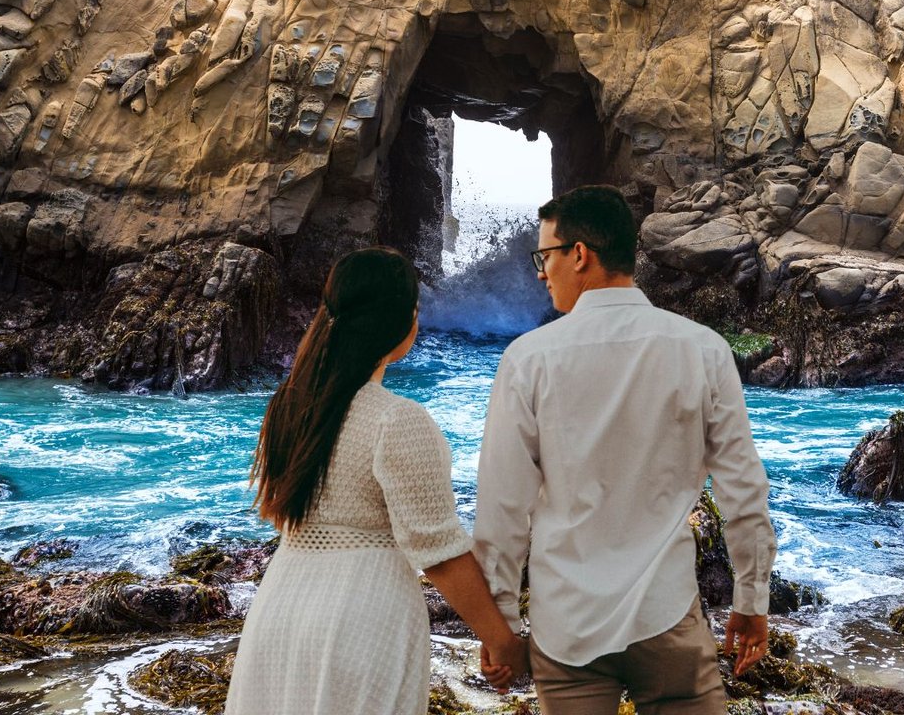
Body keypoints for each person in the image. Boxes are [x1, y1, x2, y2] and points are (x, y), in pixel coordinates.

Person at [474, 186, 778, 714]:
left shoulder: (528, 360)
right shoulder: (702, 348)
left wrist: (500, 624)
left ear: (579, 254)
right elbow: (743, 488)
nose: (541, 273)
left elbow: (503, 506)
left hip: (567, 624)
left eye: (544, 257)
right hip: (666, 615)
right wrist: (752, 601)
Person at [225, 247, 527, 714]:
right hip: (363, 614)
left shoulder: (287, 406)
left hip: (280, 608)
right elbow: (438, 551)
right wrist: (501, 640)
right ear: (402, 322)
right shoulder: (397, 421)